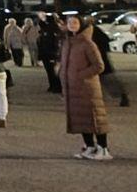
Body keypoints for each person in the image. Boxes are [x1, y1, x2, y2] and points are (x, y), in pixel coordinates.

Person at [58, 13, 111, 160]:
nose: (72, 25)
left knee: (95, 118)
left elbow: (99, 66)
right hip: (72, 89)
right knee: (80, 119)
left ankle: (103, 149)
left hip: (87, 89)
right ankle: (89, 146)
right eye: (70, 23)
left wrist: (80, 75)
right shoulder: (68, 42)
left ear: (81, 25)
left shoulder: (88, 43)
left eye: (75, 23)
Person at [37, 14, 62, 93]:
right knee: (51, 71)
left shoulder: (52, 29)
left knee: (52, 71)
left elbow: (54, 43)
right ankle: (53, 86)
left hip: (50, 53)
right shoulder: (48, 29)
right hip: (48, 53)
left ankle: (56, 86)